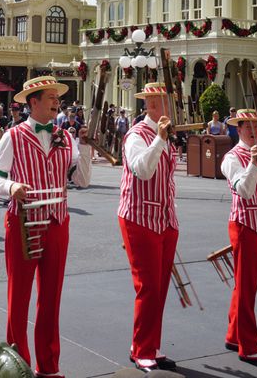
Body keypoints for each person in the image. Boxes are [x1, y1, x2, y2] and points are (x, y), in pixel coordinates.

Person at [0, 75, 91, 378]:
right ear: (33, 102)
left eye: (57, 98)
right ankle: (16, 368)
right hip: (23, 221)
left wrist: (84, 147)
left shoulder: (66, 136)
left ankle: (49, 366)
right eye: (50, 97)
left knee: (51, 297)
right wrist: (11, 187)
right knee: (18, 297)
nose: (56, 102)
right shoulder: (14, 135)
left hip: (58, 221)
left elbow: (82, 180)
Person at [118, 82, 179, 372]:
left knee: (160, 287)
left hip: (164, 218)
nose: (174, 107)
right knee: (148, 287)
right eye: (169, 102)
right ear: (154, 104)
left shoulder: (164, 135)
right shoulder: (136, 135)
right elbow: (141, 170)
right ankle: (142, 349)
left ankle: (148, 344)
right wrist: (159, 140)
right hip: (140, 216)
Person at [220, 109, 257, 367]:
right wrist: (254, 164)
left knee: (247, 283)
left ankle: (234, 335)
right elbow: (243, 189)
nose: (254, 130)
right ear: (239, 128)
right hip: (245, 224)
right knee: (246, 286)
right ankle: (249, 345)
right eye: (249, 126)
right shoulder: (232, 157)